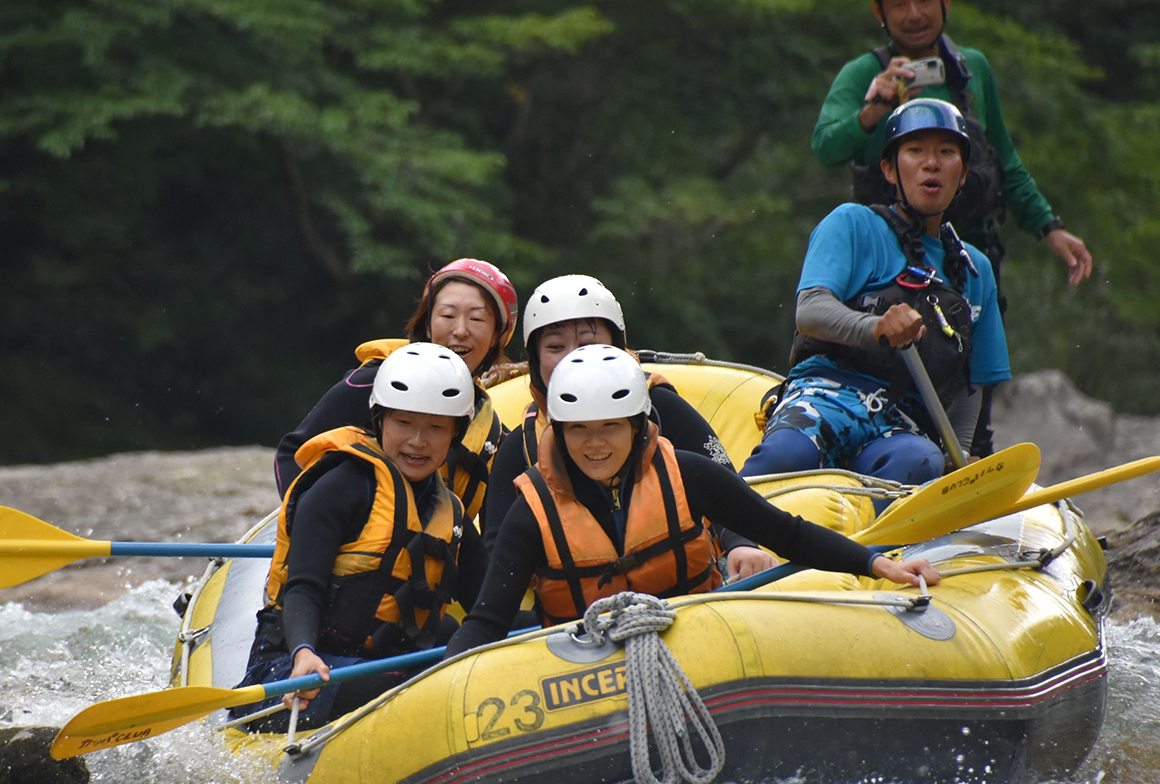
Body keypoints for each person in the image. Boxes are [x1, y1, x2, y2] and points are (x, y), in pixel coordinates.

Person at [444, 346, 939, 656]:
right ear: (561, 432)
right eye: (580, 430)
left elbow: (786, 534)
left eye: (610, 427)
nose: (595, 444)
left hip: (699, 643)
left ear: (637, 426)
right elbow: (490, 619)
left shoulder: (687, 473)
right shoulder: (534, 508)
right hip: (584, 667)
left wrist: (874, 563)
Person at [811, 0, 1092, 455]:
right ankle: (878, 453)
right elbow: (826, 146)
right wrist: (872, 109)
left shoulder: (971, 68)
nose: (914, 14)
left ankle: (967, 467)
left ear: (946, 0)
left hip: (968, 256)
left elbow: (1002, 158)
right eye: (898, 3)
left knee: (972, 375)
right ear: (878, 11)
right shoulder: (862, 75)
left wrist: (1049, 225)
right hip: (890, 260)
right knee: (892, 366)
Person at [743, 98, 1008, 485]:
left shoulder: (975, 269)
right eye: (915, 150)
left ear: (963, 172)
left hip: (902, 422)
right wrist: (876, 326)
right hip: (824, 393)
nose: (931, 163)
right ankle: (730, 538)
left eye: (946, 153)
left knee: (917, 461)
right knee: (789, 452)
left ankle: (875, 542)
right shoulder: (852, 223)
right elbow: (811, 311)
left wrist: (960, 451)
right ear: (889, 168)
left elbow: (974, 384)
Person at [238, 343, 489, 728]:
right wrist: (303, 652)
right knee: (411, 683)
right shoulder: (341, 485)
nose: (418, 441)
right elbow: (302, 588)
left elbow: (488, 608)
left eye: (436, 427)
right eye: (404, 423)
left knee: (451, 639)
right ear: (380, 420)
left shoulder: (450, 511)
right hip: (300, 668)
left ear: (455, 433)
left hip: (382, 664)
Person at [479, 274, 778, 581]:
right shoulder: (521, 446)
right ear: (536, 360)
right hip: (578, 614)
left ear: (617, 348)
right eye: (556, 346)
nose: (574, 357)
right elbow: (497, 555)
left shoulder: (660, 407)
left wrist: (741, 546)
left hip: (683, 597)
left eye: (588, 343)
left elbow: (724, 489)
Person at [274, 258, 517, 519]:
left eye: (477, 319)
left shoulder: (493, 434)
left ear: (497, 336)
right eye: (447, 316)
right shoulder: (374, 384)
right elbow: (291, 454)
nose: (460, 331)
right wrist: (315, 529)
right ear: (427, 324)